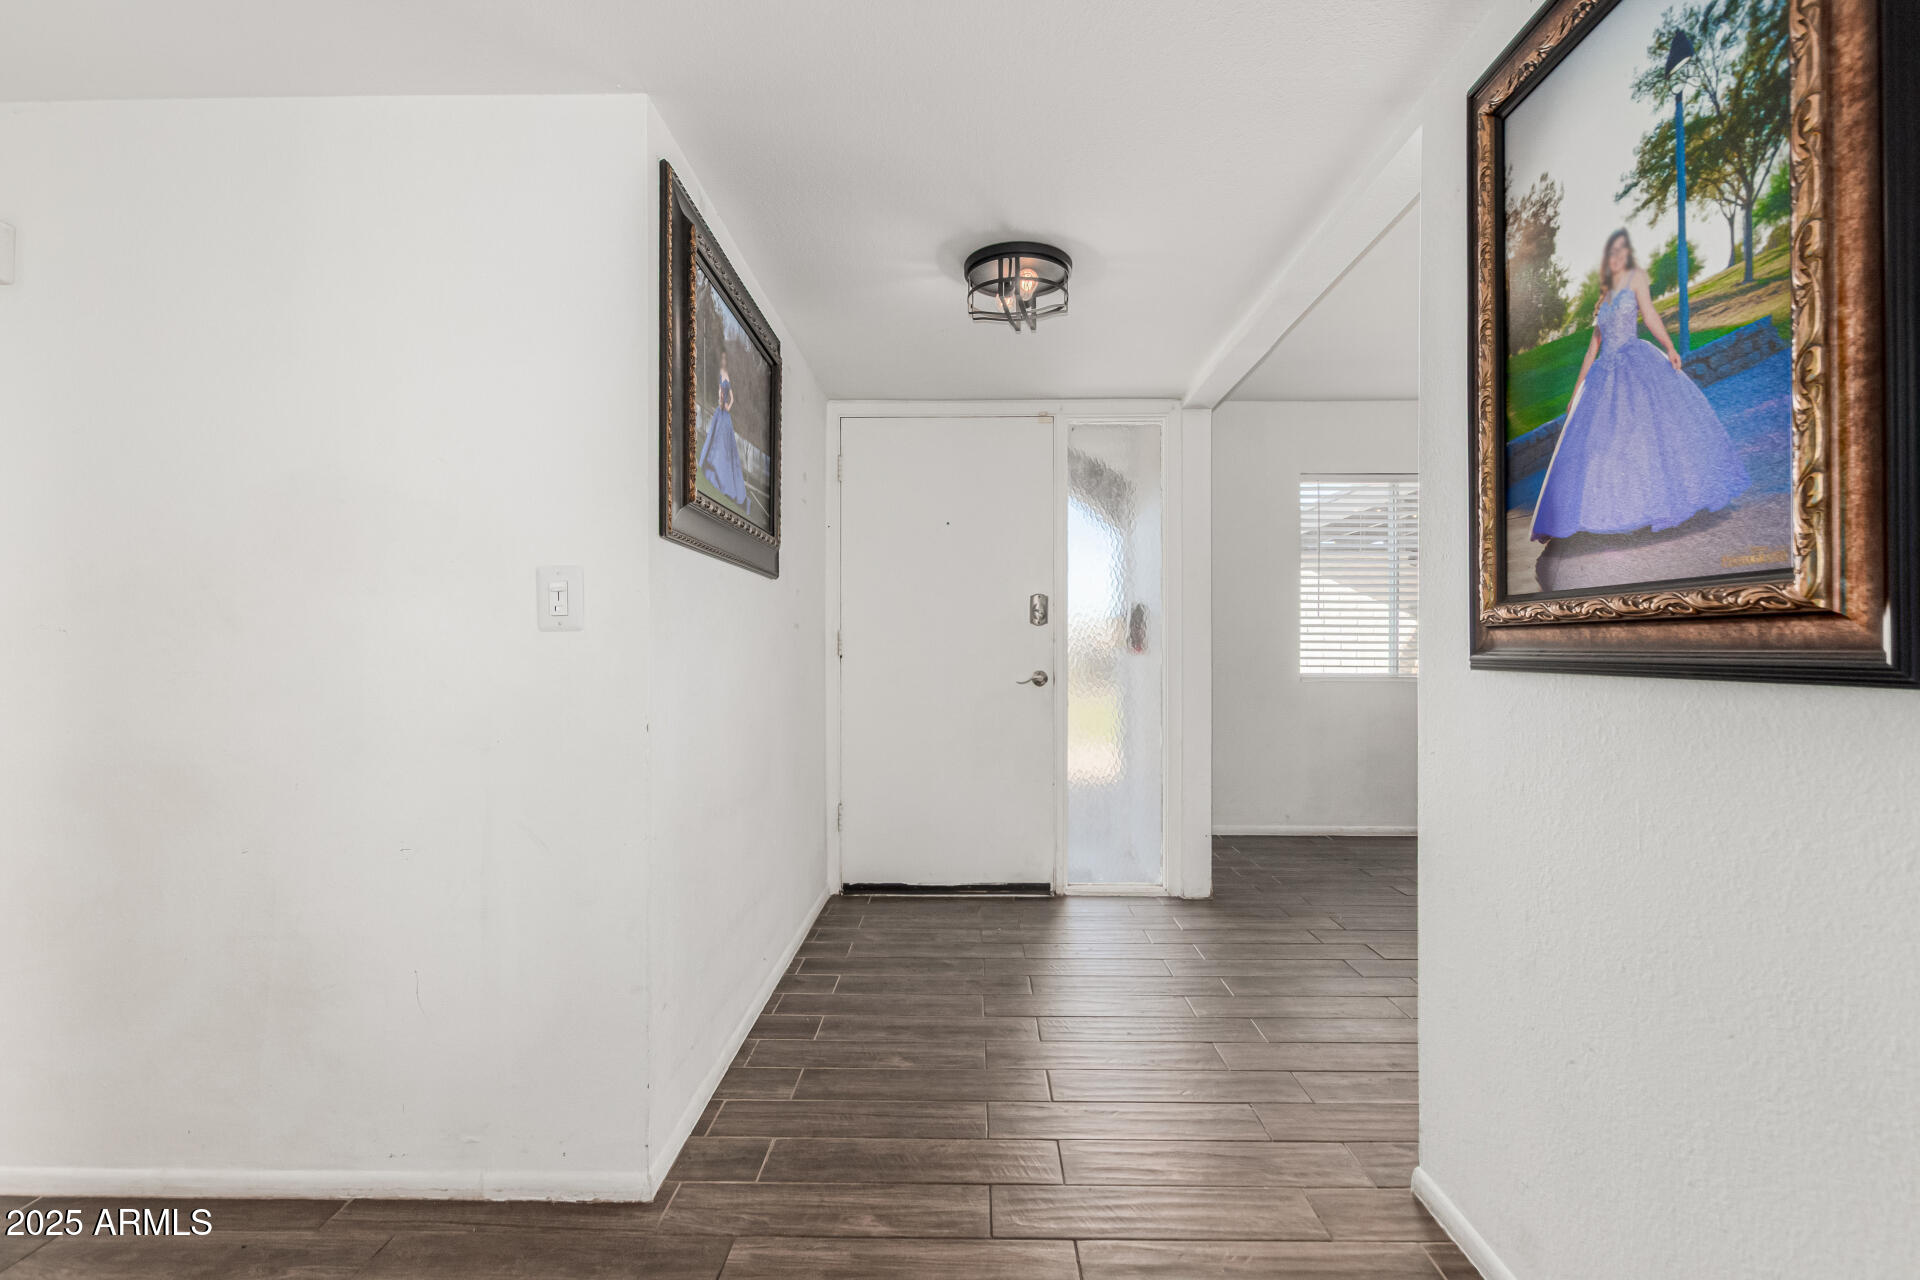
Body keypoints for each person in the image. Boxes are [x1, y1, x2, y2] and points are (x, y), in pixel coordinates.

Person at [1530, 229, 1748, 542]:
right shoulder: (1604, 296)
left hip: (1634, 362)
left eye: (1622, 251)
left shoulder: (1636, 278)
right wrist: (1577, 390)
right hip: (1604, 374)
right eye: (1612, 252)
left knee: (1643, 435)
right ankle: (1588, 514)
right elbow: (1593, 347)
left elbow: (1649, 315)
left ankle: (1656, 505)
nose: (1617, 256)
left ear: (1627, 255)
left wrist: (1670, 348)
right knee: (1599, 445)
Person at [697, 358, 749, 508]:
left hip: (723, 412)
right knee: (716, 437)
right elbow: (722, 392)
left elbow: (730, 396)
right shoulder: (722, 373)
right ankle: (712, 464)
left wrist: (727, 406)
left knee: (724, 442)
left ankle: (720, 473)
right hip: (721, 411)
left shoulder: (726, 377)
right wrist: (722, 403)